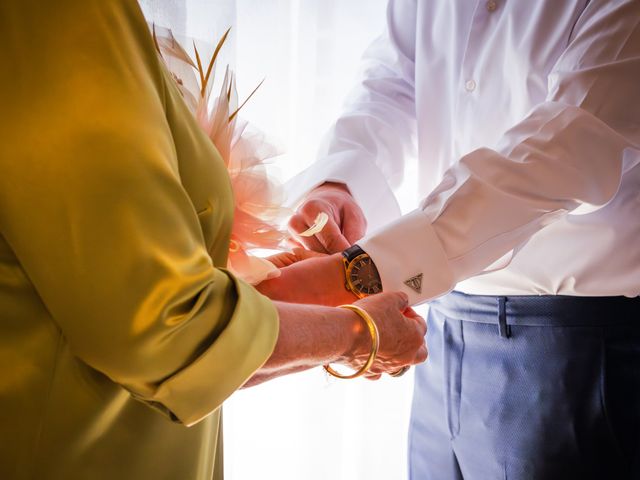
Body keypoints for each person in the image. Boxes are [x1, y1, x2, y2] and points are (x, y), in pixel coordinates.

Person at [0, 2, 428, 479]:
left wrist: (303, 291)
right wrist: (356, 335)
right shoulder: (58, 18)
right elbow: (164, 331)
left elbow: (119, 287)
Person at [268, 0, 640, 478]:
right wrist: (339, 184)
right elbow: (395, 79)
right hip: (440, 332)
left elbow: (569, 145)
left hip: (575, 349)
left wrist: (360, 274)